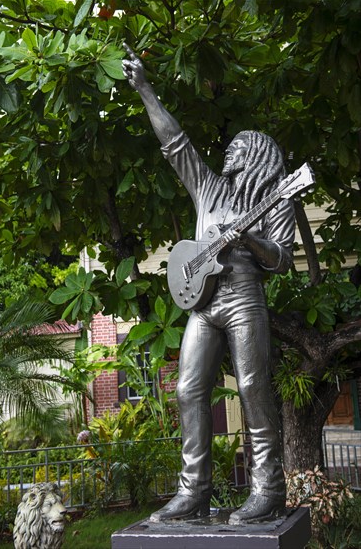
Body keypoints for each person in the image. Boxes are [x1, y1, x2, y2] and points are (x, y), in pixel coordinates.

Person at [122, 44, 295, 524]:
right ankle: (194, 491)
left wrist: (253, 241)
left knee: (254, 388)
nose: (228, 150)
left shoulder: (278, 199)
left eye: (238, 146)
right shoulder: (211, 189)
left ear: (257, 154)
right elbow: (177, 144)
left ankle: (267, 491)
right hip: (203, 302)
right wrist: (145, 90)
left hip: (243, 301)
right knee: (187, 390)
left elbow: (280, 258)